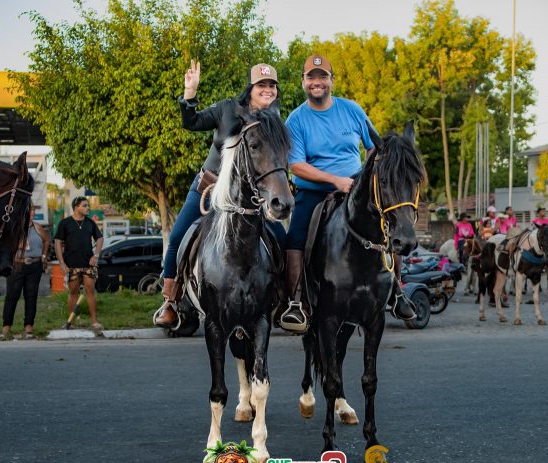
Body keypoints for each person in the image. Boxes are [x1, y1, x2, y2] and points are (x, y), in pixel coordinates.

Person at [279, 53, 415, 333]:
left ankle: (397, 292)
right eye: (311, 78)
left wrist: (369, 176)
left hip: (356, 188)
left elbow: (376, 147)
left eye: (322, 77)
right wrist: (335, 180)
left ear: (331, 81)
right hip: (316, 192)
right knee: (294, 238)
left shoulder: (352, 110)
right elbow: (296, 165)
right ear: (303, 82)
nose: (317, 83)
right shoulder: (296, 119)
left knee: (391, 220)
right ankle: (296, 302)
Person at [153, 60, 284, 328]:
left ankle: (284, 299)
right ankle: (171, 301)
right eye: (262, 85)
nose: (267, 89)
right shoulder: (227, 109)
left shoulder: (273, 121)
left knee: (282, 239)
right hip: (209, 188)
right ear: (250, 88)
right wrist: (190, 93)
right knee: (178, 236)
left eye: (272, 85)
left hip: (250, 197)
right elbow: (191, 122)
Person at [54, 196, 104, 335]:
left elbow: (100, 238)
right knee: (73, 292)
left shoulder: (90, 223)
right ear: (76, 207)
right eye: (85, 205)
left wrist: (96, 255)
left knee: (90, 291)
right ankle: (71, 322)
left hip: (88, 263)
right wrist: (62, 263)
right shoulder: (65, 223)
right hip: (71, 265)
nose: (88, 207)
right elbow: (57, 242)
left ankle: (94, 322)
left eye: (88, 205)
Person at [2, 204, 50, 338]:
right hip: (17, 265)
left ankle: (29, 325)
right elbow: (4, 244)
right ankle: (7, 325)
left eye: (33, 212)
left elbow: (46, 240)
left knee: (31, 295)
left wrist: (44, 256)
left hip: (34, 265)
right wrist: (16, 246)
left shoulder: (37, 227)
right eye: (29, 212)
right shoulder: (13, 227)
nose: (31, 214)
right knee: (12, 295)